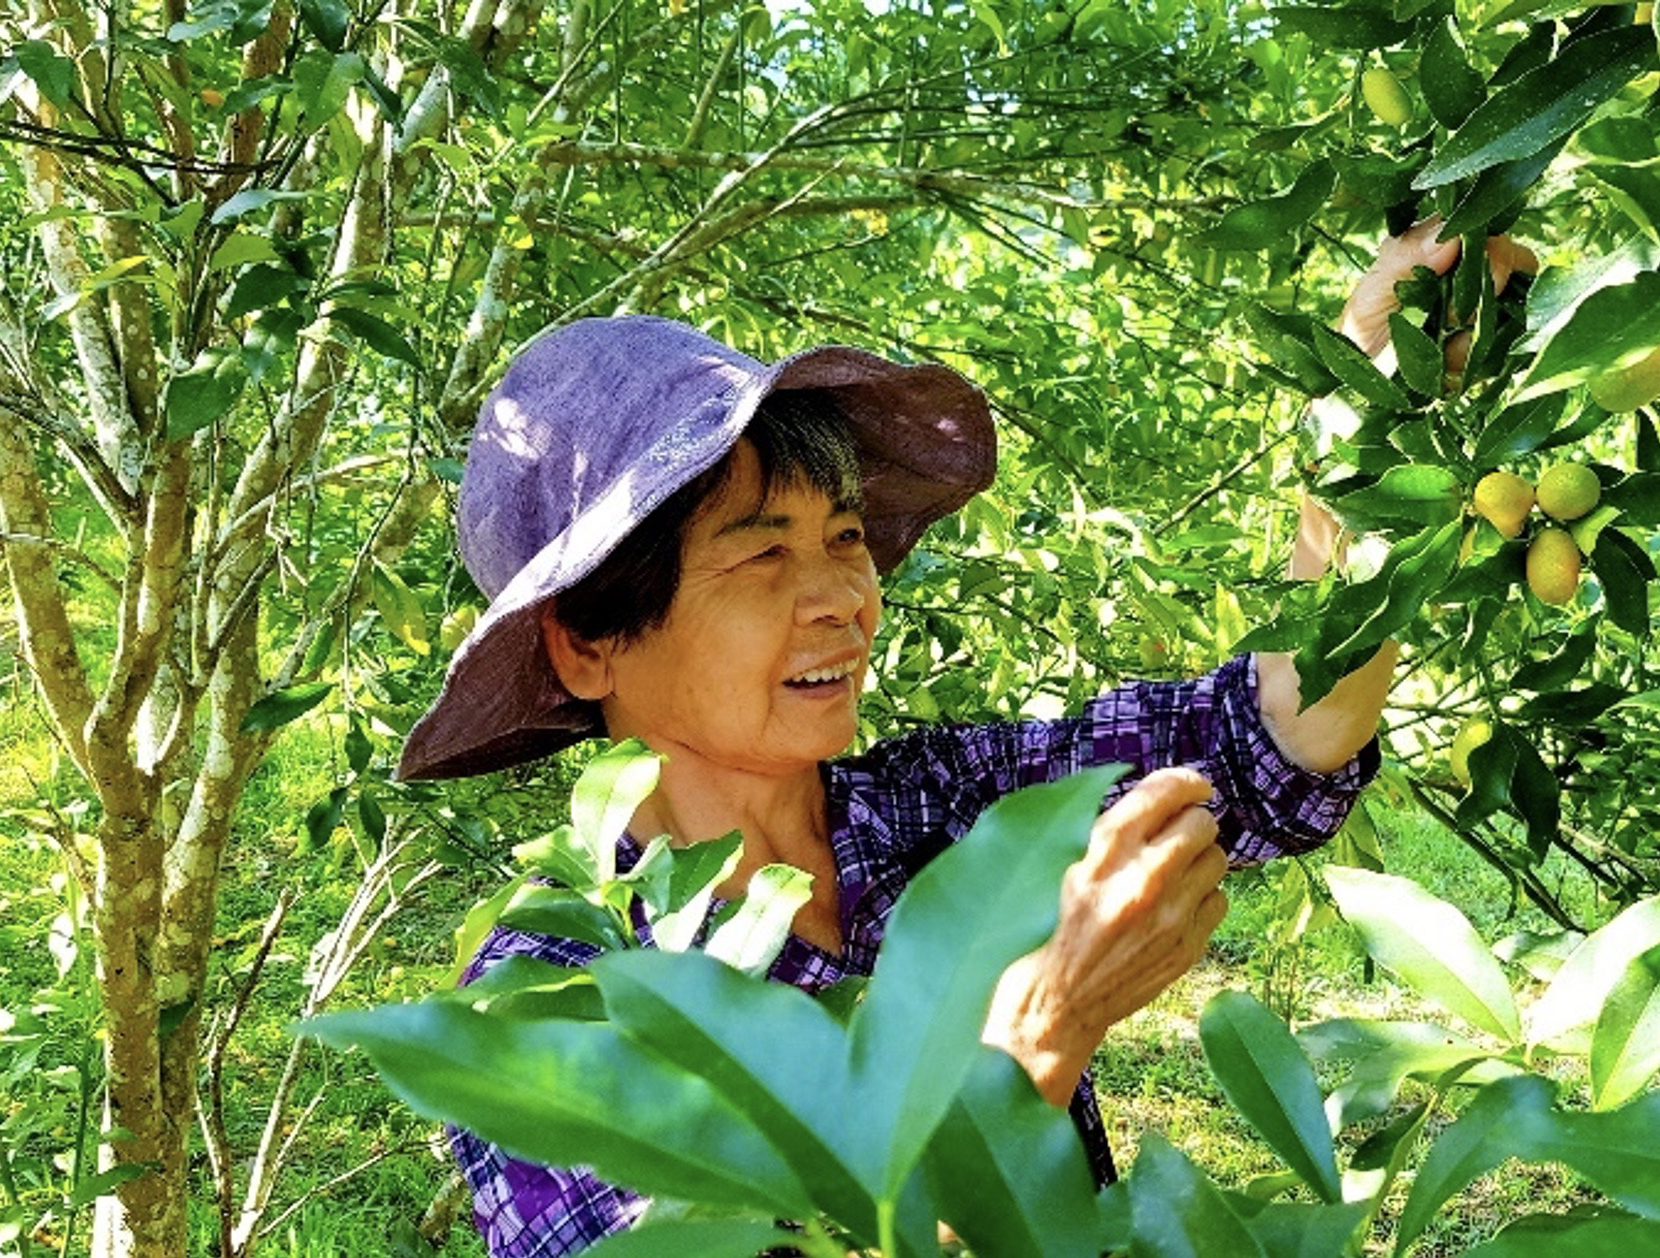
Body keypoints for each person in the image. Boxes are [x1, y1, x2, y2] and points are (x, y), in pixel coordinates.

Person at [395, 221, 1462, 1255]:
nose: (842, 598)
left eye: (846, 537)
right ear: (588, 642)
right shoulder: (545, 1000)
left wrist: (1365, 441)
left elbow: (1270, 739)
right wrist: (1030, 1040)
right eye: (764, 555)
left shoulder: (937, 809)